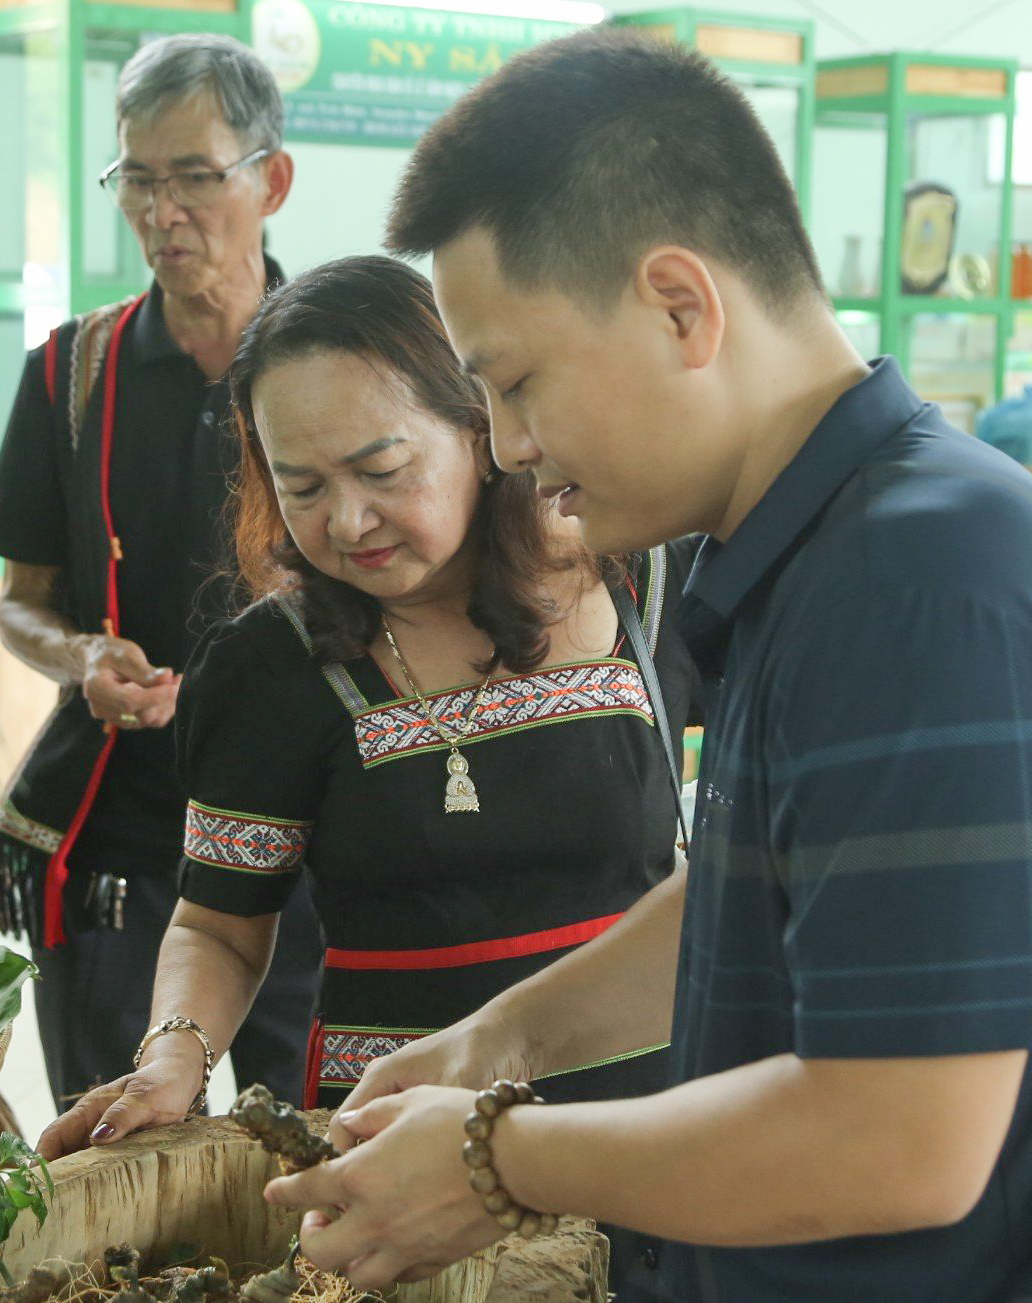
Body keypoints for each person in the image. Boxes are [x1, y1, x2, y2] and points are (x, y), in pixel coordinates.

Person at [265, 31, 1032, 1303]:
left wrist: (494, 1162)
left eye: (515, 382)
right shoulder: (836, 550)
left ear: (677, 306)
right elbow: (773, 894)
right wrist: (499, 1042)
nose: (512, 446)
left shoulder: (924, 585)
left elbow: (897, 1139)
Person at [36, 256, 697, 1158]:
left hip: (645, 1123)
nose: (347, 523)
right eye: (302, 487)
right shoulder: (272, 670)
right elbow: (221, 927)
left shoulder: (644, 585)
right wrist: (174, 1054)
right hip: (401, 1141)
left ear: (480, 429)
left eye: (382, 470)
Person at [0, 35, 323, 1109]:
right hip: (123, 830)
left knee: (322, 1148)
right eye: (138, 177)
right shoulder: (73, 375)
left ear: (270, 179)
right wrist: (83, 655)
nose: (161, 211)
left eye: (193, 178)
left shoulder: (347, 361)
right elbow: (22, 605)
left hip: (313, 826)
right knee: (112, 1134)